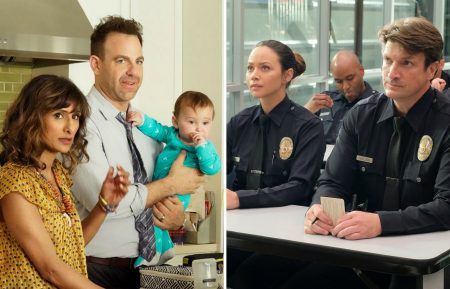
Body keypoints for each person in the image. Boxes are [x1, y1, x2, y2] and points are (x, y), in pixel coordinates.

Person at [301, 17, 450, 289]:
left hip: (427, 253)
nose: (391, 73)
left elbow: (447, 207)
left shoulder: (447, 122)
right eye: (387, 60)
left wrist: (382, 223)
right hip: (366, 247)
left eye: (406, 63)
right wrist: (320, 207)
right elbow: (333, 182)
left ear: (434, 69)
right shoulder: (361, 116)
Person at [70, 16, 204, 289]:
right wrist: (170, 185)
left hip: (154, 272)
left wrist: (177, 218)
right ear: (96, 64)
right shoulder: (79, 124)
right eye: (121, 61)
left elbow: (163, 191)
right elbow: (107, 201)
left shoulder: (145, 127)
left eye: (138, 61)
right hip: (99, 272)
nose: (133, 71)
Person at [0, 74, 129, 288]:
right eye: (59, 115)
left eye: (76, 116)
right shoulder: (15, 181)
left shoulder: (58, 174)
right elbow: (50, 268)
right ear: (33, 117)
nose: (70, 127)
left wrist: (103, 205)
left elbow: (70, 246)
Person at [226, 40, 325, 288]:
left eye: (265, 68)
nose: (254, 76)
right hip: (241, 227)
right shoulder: (239, 122)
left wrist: (240, 199)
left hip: (287, 234)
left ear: (287, 75)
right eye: (250, 68)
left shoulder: (308, 126)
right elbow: (217, 172)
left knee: (246, 277)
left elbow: (300, 187)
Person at [127, 90, 221, 267]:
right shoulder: (172, 135)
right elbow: (157, 130)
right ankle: (166, 248)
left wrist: (201, 146)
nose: (199, 128)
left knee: (154, 217)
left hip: (179, 194)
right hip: (162, 186)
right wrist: (142, 120)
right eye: (191, 122)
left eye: (205, 123)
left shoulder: (204, 147)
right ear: (175, 122)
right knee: (155, 217)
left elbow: (212, 168)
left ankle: (151, 253)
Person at [304, 50, 378, 144]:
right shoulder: (325, 100)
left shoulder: (378, 105)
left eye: (350, 78)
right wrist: (306, 111)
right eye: (339, 81)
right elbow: (294, 133)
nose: (345, 87)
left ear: (361, 71)